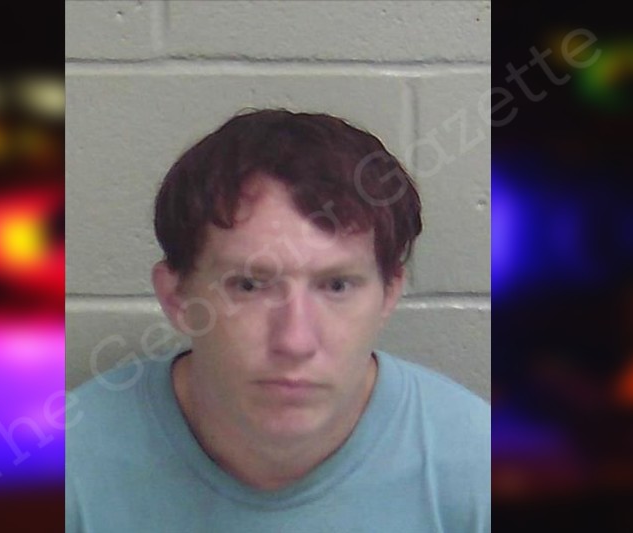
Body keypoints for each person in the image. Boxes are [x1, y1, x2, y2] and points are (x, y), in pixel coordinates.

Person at [66, 109, 490, 532]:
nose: (294, 341)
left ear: (389, 295)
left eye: (337, 285)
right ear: (177, 297)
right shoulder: (67, 462)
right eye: (249, 285)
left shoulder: (478, 466)